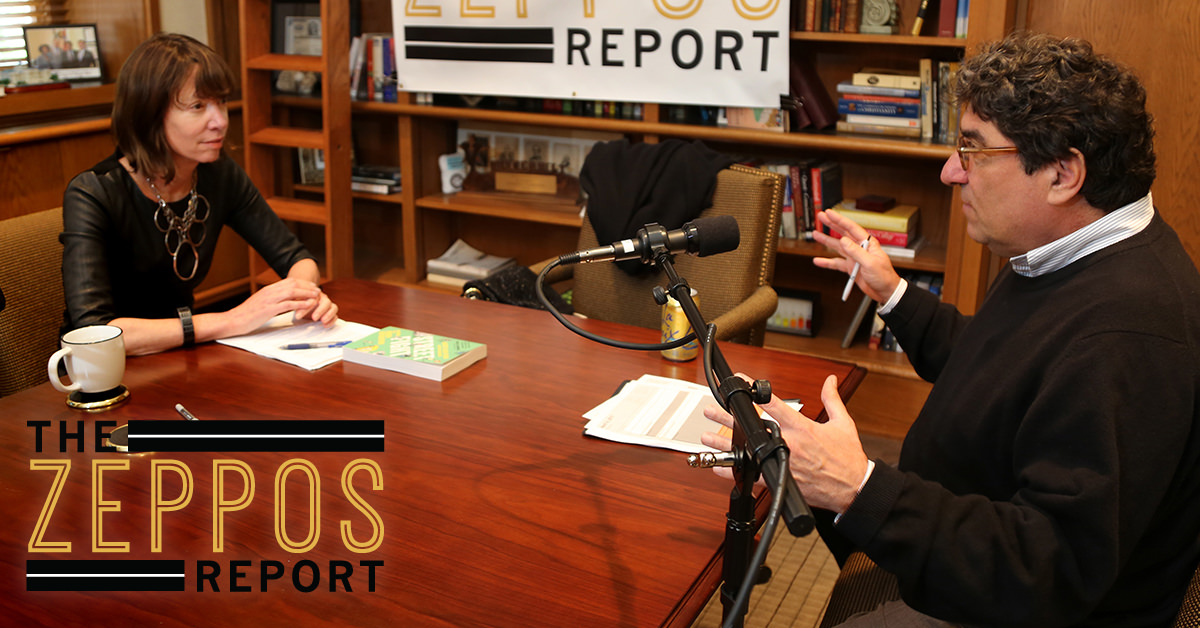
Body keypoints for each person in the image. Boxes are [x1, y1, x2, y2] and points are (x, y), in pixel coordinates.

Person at [703, 31, 1200, 626]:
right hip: (961, 540)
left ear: (1062, 174)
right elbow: (1000, 370)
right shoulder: (1067, 254)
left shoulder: (1127, 334)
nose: (950, 172)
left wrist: (859, 488)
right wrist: (893, 293)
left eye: (974, 150)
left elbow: (1049, 572)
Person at [61, 33, 337, 356]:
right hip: (107, 370)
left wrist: (304, 297)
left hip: (182, 354)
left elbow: (296, 258)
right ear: (149, 116)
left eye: (221, 102)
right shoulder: (93, 193)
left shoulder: (218, 174)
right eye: (198, 106)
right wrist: (233, 320)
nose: (220, 121)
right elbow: (92, 333)